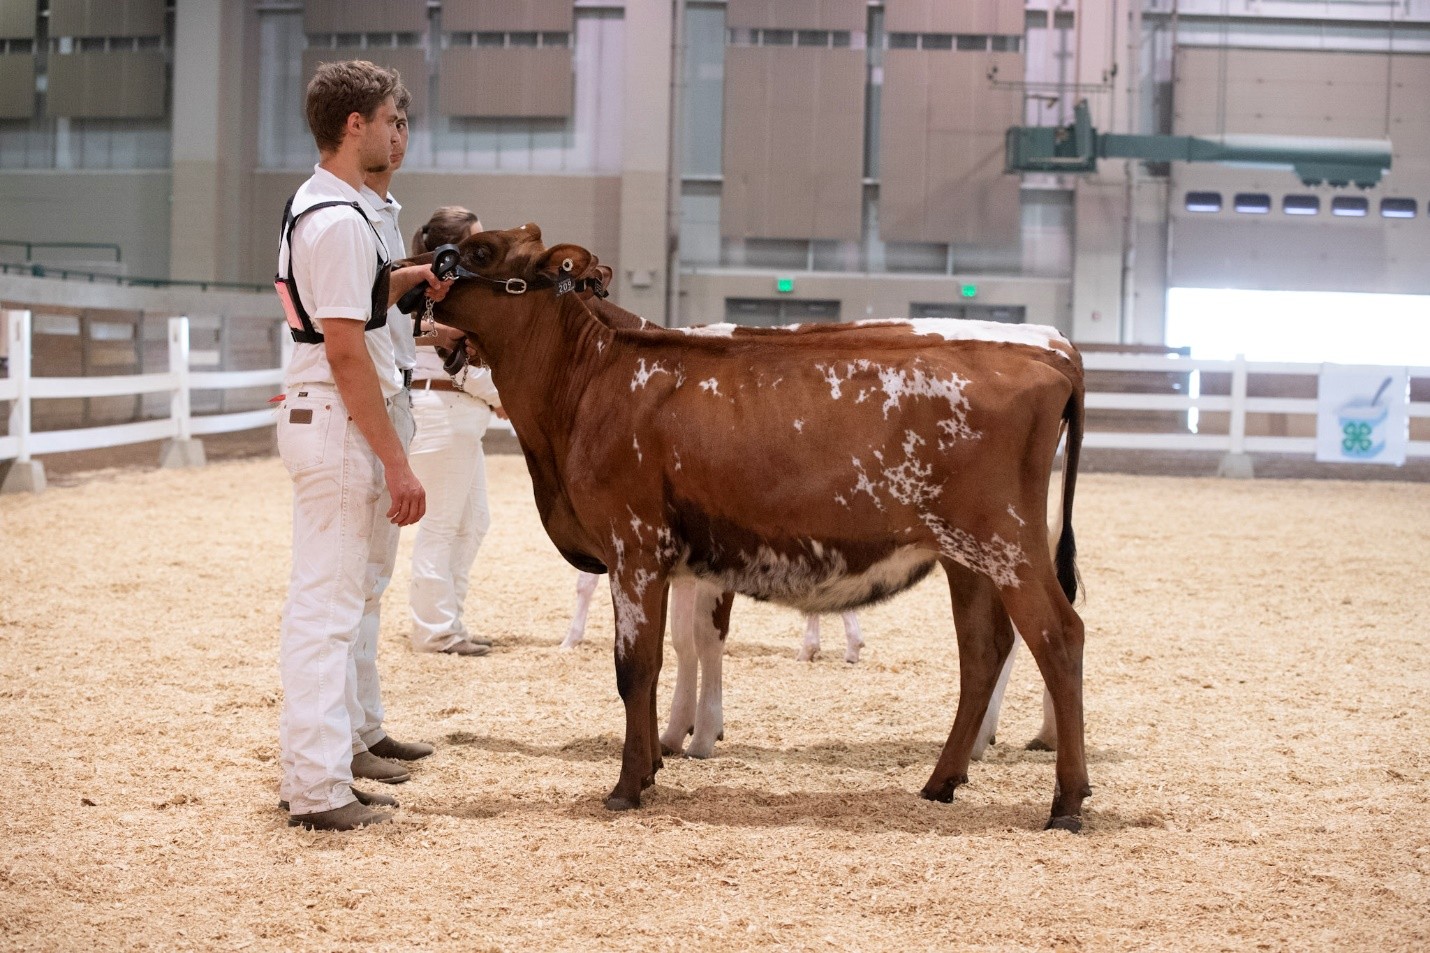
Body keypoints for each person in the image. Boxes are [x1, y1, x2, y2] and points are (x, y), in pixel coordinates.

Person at [274, 60, 452, 832]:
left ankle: (344, 747)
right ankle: (316, 789)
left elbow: (350, 303)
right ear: (355, 126)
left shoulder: (340, 210)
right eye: (391, 120)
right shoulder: (341, 220)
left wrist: (407, 278)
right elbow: (344, 349)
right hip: (345, 420)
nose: (400, 134)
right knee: (326, 607)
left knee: (349, 597)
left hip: (347, 416)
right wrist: (397, 460)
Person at [406, 206, 505, 657]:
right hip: (441, 408)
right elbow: (455, 361)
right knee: (442, 526)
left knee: (473, 522)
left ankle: (449, 622)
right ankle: (435, 631)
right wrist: (498, 396)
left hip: (459, 412)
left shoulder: (447, 291)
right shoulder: (429, 294)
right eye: (475, 240)